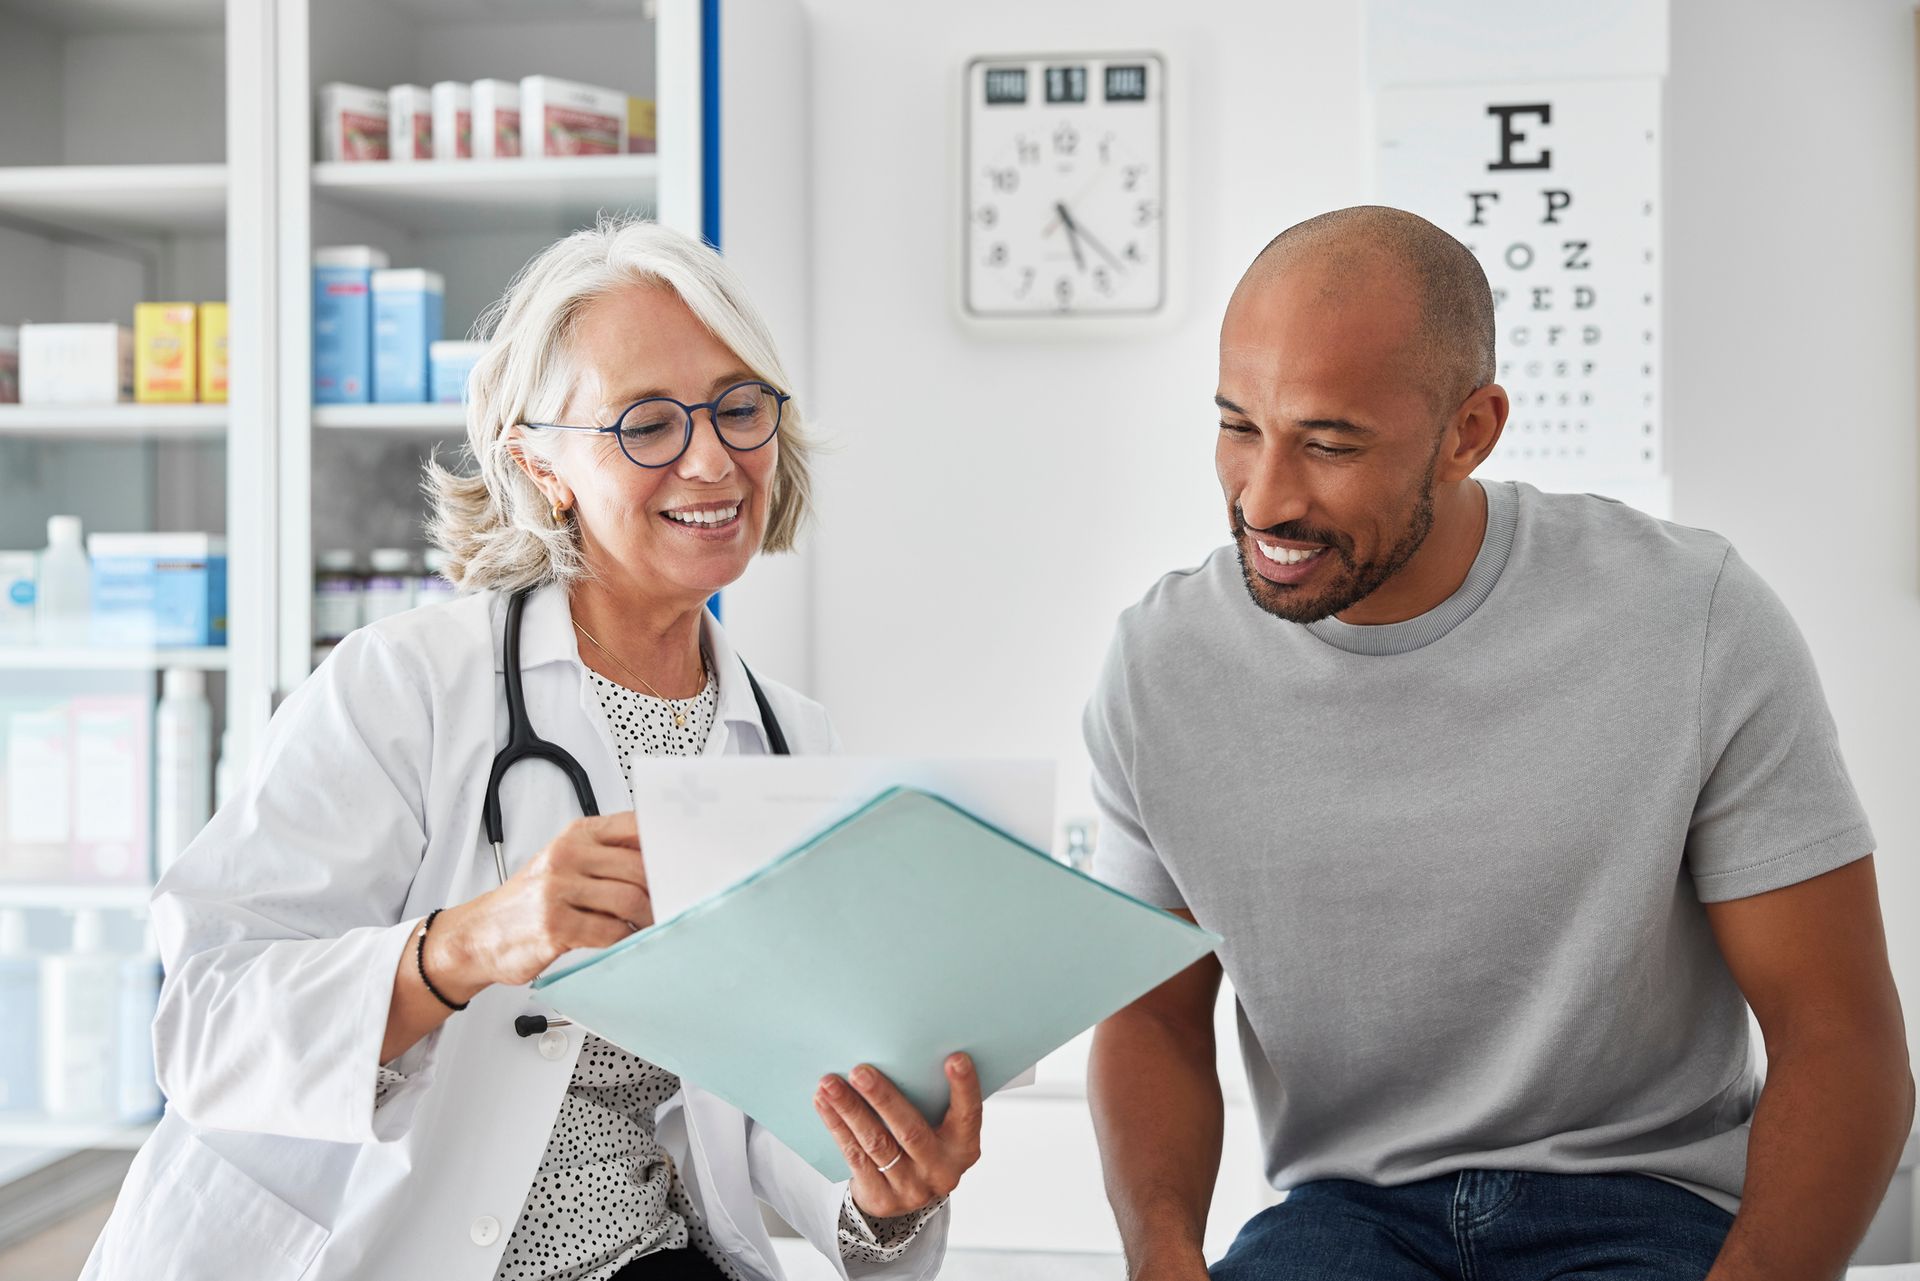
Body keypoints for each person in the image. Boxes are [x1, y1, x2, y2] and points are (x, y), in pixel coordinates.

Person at [84, 219, 981, 1281]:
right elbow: (202, 1029)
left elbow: (766, 1104)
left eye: (739, 408)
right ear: (537, 462)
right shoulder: (405, 687)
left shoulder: (788, 740)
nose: (713, 457)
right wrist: (461, 947)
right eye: (646, 423)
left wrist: (884, 1194)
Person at [1083, 205, 1914, 1280]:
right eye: (1240, 426)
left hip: (1643, 1202)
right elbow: (1149, 1019)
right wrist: (1160, 1257)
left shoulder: (1691, 618)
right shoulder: (1162, 667)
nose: (1267, 498)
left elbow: (1840, 1037)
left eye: (1330, 443)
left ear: (1470, 431)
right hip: (1347, 1215)